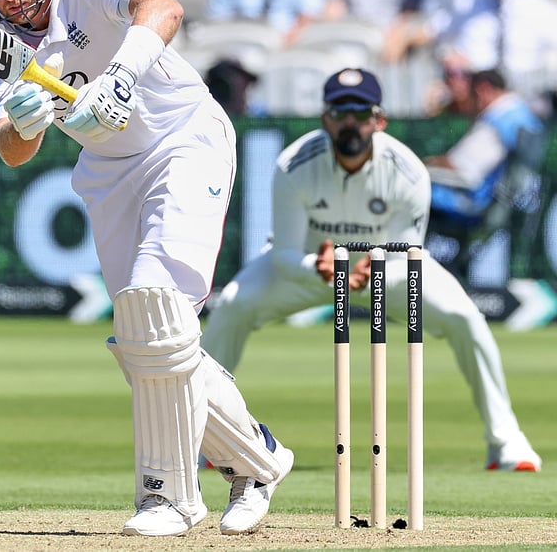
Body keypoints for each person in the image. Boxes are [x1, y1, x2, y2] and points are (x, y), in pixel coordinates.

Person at [0, 0, 294, 537]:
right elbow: (9, 148)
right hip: (110, 171)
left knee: (156, 302)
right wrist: (26, 119)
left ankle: (168, 497)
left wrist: (120, 75)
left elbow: (163, 7)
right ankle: (256, 459)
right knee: (146, 341)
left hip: (184, 139)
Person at [200, 67, 542, 472]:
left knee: (464, 317)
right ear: (325, 117)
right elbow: (284, 255)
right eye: (340, 111)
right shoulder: (294, 164)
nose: (351, 122)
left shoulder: (408, 170)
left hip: (388, 272)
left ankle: (507, 442)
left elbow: (406, 257)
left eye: (361, 113)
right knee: (233, 307)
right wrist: (321, 267)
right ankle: (206, 440)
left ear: (379, 120)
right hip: (310, 270)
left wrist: (366, 270)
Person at [424, 68, 547, 278]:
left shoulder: (501, 118)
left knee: (410, 196)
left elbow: (463, 169)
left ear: (482, 90)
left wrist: (422, 167)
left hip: (473, 206)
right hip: (498, 207)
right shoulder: (524, 117)